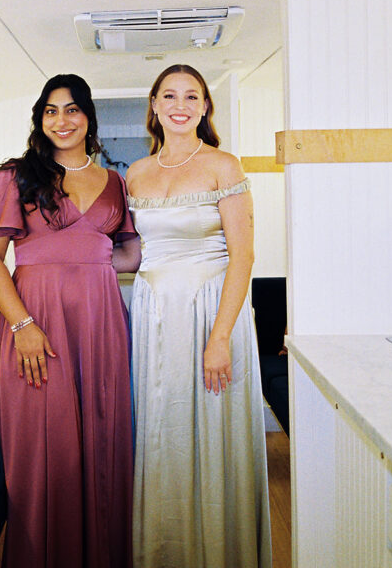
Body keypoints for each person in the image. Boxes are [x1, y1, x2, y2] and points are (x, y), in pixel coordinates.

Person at [0, 73, 141, 568]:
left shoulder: (115, 181)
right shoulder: (15, 176)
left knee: (104, 441)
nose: (61, 120)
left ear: (89, 117)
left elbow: (128, 249)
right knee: (45, 454)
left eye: (71, 109)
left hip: (102, 322)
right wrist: (23, 326)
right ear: (39, 119)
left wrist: (97, 263)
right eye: (50, 110)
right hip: (36, 325)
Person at [124, 64, 272, 568]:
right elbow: (135, 253)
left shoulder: (223, 165)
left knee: (210, 428)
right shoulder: (136, 173)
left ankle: (217, 552)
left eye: (192, 96)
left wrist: (220, 337)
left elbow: (243, 256)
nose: (180, 105)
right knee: (161, 430)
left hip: (211, 309)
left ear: (206, 106)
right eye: (169, 95)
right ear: (155, 105)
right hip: (153, 314)